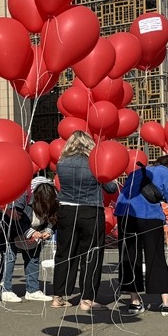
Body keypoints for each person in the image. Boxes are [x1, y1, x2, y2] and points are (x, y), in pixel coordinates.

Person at [53, 131, 118, 311]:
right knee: (91, 255)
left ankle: (58, 296)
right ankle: (87, 299)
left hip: (66, 210)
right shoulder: (95, 163)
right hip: (90, 210)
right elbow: (111, 187)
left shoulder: (62, 163)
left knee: (64, 253)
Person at [115, 155, 168, 317]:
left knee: (129, 257)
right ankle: (166, 303)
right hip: (149, 216)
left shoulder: (136, 172)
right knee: (156, 256)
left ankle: (134, 301)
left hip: (124, 214)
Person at [5, 181, 59, 302]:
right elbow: (15, 220)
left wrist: (48, 231)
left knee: (33, 259)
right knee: (10, 259)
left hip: (36, 232)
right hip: (14, 232)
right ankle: (6, 290)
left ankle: (32, 290)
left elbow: (54, 217)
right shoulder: (22, 198)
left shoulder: (53, 201)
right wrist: (31, 232)